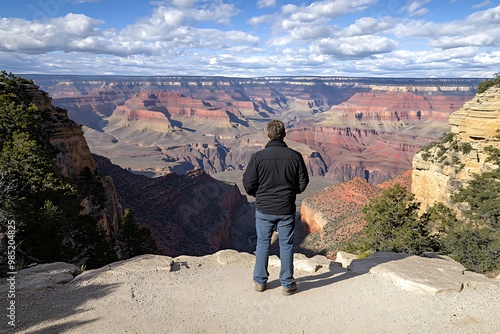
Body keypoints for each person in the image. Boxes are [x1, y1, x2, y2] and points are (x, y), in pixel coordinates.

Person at [243, 120, 309, 295]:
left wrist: (258, 194)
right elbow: (303, 183)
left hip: (264, 208)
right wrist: (291, 192)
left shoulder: (258, 157)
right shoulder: (295, 156)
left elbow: (248, 183)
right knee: (286, 245)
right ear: (284, 134)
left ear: (268, 135)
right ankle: (287, 284)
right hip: (286, 209)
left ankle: (260, 282)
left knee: (263, 242)